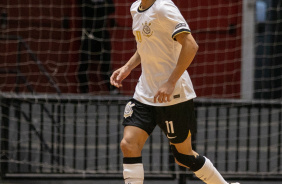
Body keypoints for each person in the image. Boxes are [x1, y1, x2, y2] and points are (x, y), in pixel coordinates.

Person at [110, 0, 240, 184]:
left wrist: (170, 82)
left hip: (173, 96)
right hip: (144, 93)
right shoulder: (135, 8)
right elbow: (145, 45)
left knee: (183, 156)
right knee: (128, 144)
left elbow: (191, 45)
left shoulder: (164, 8)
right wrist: (127, 67)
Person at [78, 0, 115, 93]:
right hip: (88, 33)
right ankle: (84, 91)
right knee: (84, 64)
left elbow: (111, 8)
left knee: (106, 65)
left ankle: (112, 89)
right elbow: (85, 8)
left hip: (102, 33)